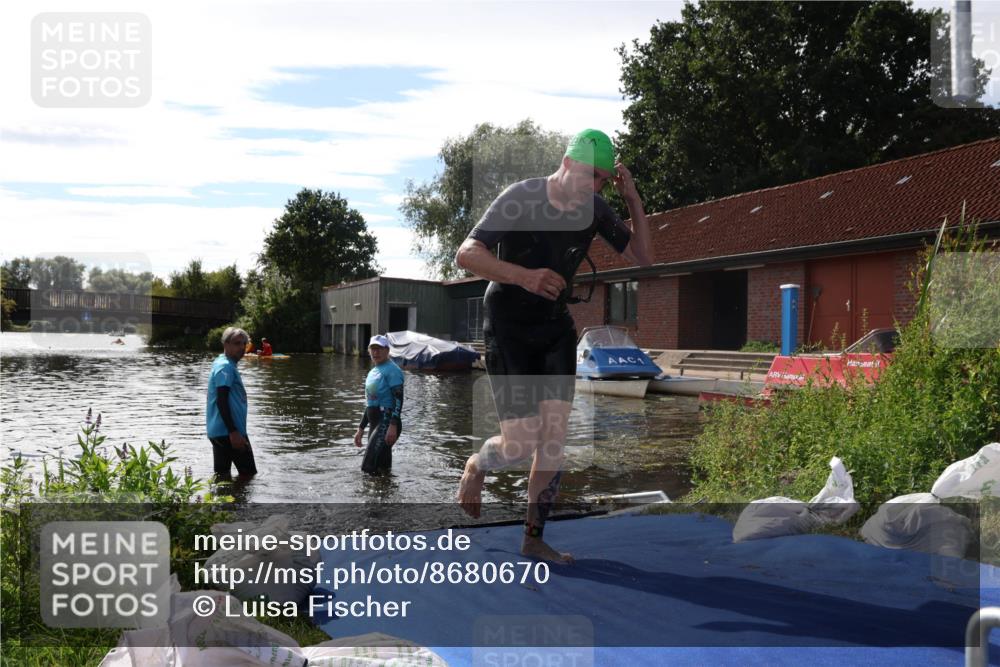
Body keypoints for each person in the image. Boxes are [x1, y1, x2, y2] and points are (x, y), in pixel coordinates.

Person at [454, 129, 652, 562]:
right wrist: (524, 275)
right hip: (508, 323)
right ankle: (477, 465)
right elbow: (466, 254)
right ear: (567, 163)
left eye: (602, 180)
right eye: (590, 176)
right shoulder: (521, 197)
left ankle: (533, 538)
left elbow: (643, 257)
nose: (595, 186)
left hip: (555, 327)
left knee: (554, 440)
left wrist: (632, 198)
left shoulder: (595, 208)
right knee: (520, 442)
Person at [206, 327, 257, 481]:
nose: (241, 347)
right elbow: (222, 400)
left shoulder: (222, 362)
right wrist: (234, 432)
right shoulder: (225, 367)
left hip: (218, 431)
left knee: (222, 479)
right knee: (248, 476)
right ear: (225, 344)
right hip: (229, 432)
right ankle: (240, 504)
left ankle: (223, 505)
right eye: (236, 343)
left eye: (243, 344)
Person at [354, 335, 404, 474]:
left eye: (379, 349)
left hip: (387, 422)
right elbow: (370, 403)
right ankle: (387, 493)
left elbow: (399, 399)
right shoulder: (373, 372)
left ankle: (366, 495)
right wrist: (361, 428)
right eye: (373, 349)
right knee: (383, 466)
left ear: (387, 350)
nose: (375, 352)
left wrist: (393, 425)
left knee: (367, 466)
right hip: (375, 422)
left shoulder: (392, 370)